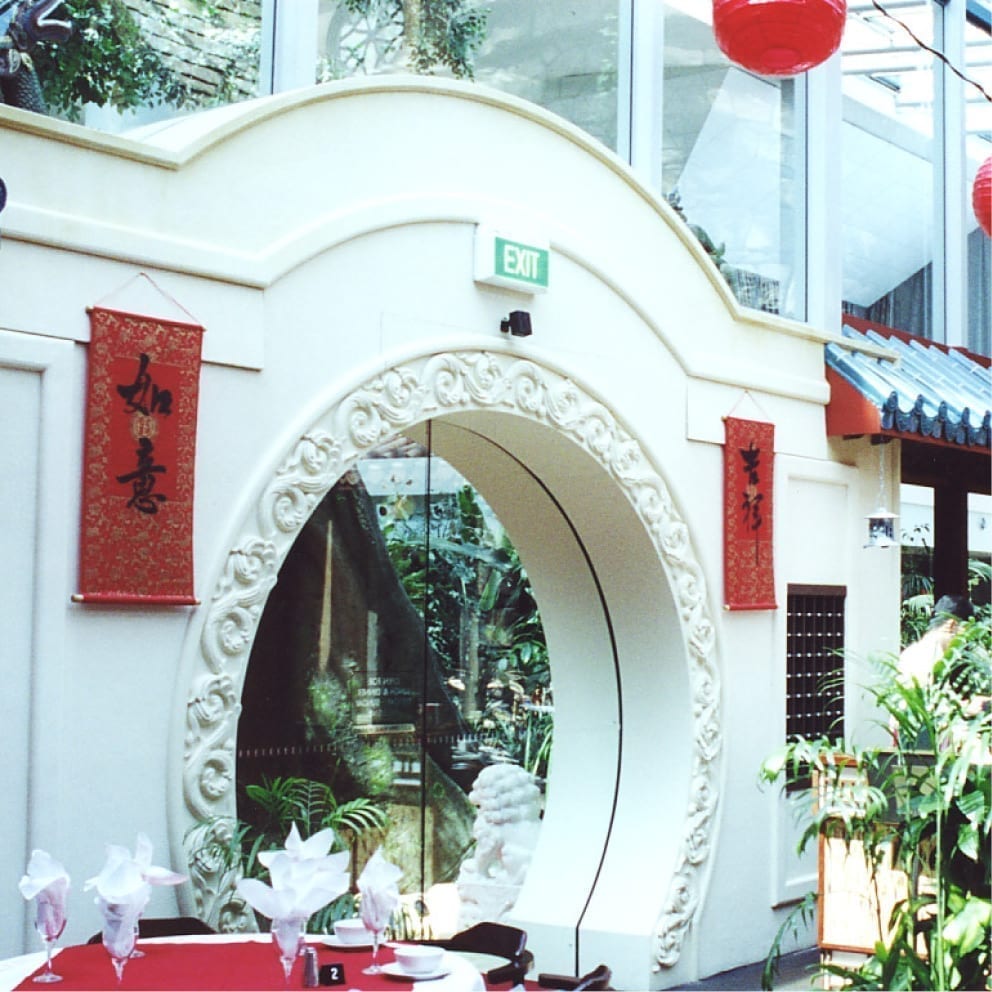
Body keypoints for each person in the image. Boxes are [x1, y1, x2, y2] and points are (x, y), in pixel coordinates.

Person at [897, 593, 975, 687]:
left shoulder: (911, 652)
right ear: (952, 625)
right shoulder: (933, 658)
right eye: (965, 635)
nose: (965, 643)